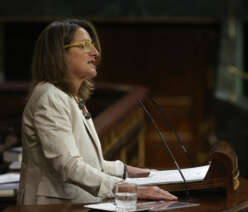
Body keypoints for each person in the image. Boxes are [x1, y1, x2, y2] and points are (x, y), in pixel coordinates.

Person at [17, 19, 177, 205]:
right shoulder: (49, 97)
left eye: (93, 46)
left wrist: (128, 171)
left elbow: (87, 161)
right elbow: (68, 165)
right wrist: (129, 188)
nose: (95, 53)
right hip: (52, 208)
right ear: (60, 53)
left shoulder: (69, 96)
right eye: (85, 45)